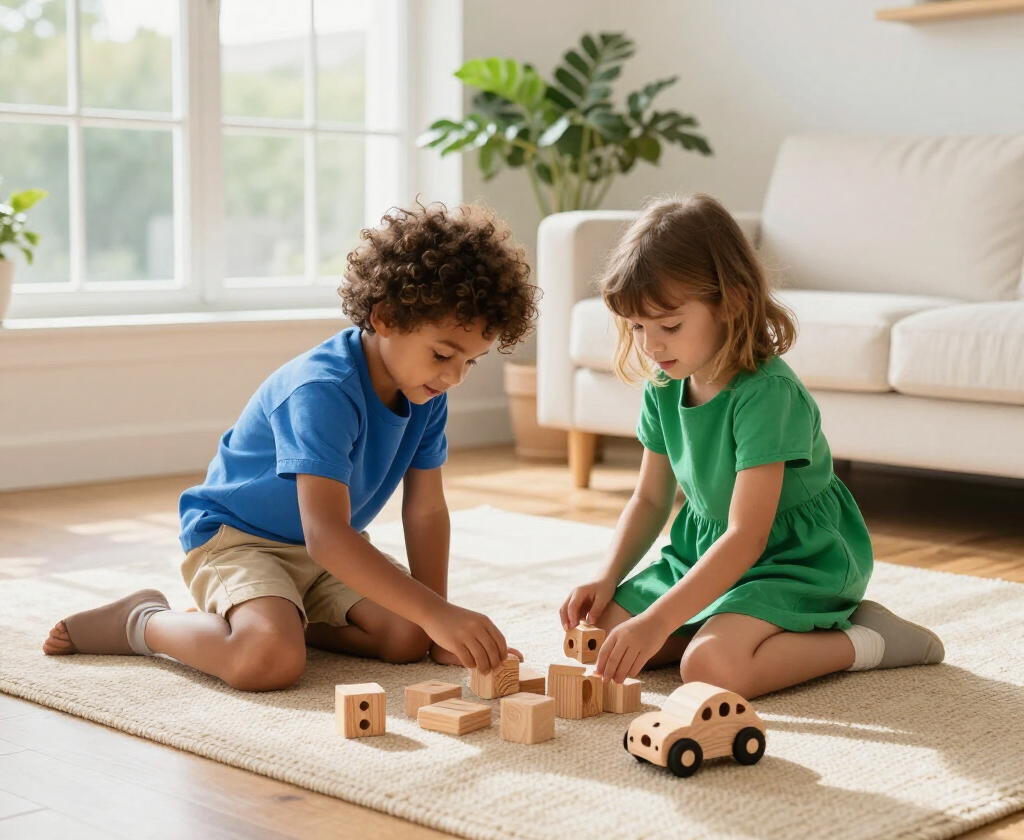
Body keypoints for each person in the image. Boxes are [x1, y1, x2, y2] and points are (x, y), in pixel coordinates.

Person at [44, 202, 538, 690]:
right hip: (238, 539)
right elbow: (326, 534)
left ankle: (280, 615)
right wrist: (439, 612)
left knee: (409, 635)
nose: (454, 377)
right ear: (386, 317)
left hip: (323, 549)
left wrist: (438, 624)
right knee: (269, 660)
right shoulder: (322, 390)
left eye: (471, 363)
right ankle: (144, 620)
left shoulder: (426, 392)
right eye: (444, 354)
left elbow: (427, 511)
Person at [560, 193, 944, 699]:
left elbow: (747, 537)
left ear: (731, 302)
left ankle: (865, 639)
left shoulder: (766, 394)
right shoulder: (665, 382)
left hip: (795, 558)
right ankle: (734, 622)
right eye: (638, 328)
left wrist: (657, 622)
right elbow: (650, 499)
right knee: (600, 636)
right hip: (704, 551)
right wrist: (607, 576)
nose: (651, 346)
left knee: (711, 668)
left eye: (669, 326)